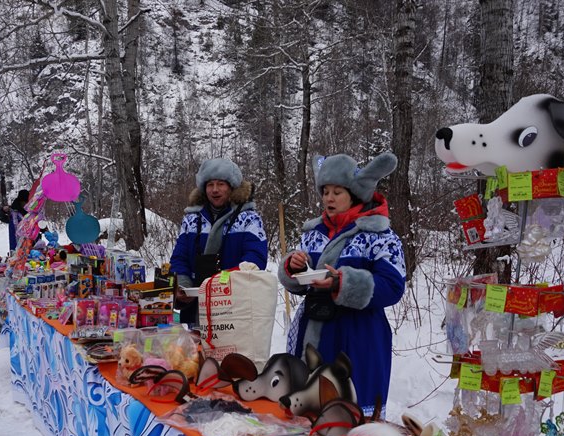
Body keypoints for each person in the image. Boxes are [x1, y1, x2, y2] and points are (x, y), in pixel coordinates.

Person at [279, 153, 405, 419]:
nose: (329, 198)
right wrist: (294, 266)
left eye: (337, 192)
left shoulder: (379, 235)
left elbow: (393, 285)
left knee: (350, 415)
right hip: (313, 330)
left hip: (357, 335)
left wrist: (343, 283)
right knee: (307, 414)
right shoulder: (313, 233)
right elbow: (299, 281)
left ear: (354, 195)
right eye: (325, 192)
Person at [169, 158, 268, 325]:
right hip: (197, 307)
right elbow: (179, 258)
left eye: (221, 184)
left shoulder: (249, 219)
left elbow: (255, 258)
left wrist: (222, 282)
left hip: (235, 307)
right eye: (210, 185)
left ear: (231, 186)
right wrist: (183, 285)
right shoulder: (191, 219)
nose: (215, 190)